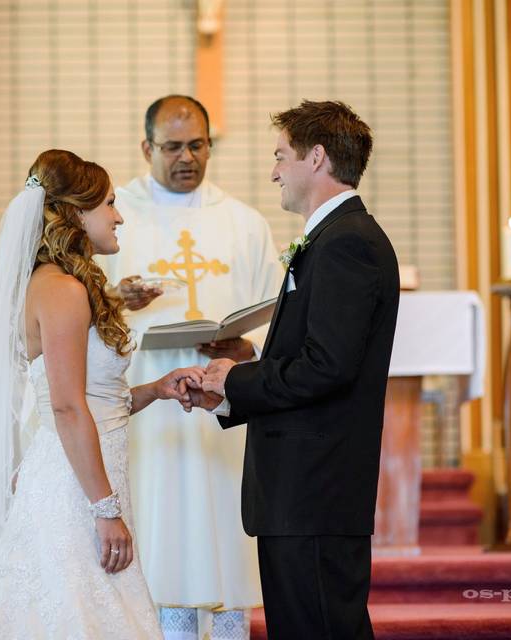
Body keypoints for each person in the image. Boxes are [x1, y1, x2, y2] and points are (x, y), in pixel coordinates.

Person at [0, 149, 205, 639]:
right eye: (110, 205)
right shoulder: (59, 289)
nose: (119, 217)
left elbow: (97, 403)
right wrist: (105, 510)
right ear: (77, 212)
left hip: (90, 481)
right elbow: (66, 407)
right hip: (75, 493)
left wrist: (157, 390)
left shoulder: (68, 285)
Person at [187, 101, 400, 640]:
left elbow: (327, 368)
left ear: (317, 157)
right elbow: (318, 358)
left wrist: (233, 381)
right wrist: (237, 380)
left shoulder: (346, 243)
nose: (273, 171)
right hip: (304, 492)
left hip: (314, 492)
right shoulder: (333, 238)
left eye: (281, 156)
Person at [100, 95, 281, 640]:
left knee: (223, 525)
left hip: (221, 407)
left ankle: (226, 632)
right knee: (159, 525)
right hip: (147, 406)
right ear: (146, 147)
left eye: (198, 145)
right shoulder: (114, 217)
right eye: (173, 146)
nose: (187, 157)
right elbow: (76, 308)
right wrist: (113, 297)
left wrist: (248, 348)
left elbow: (280, 311)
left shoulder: (242, 223)